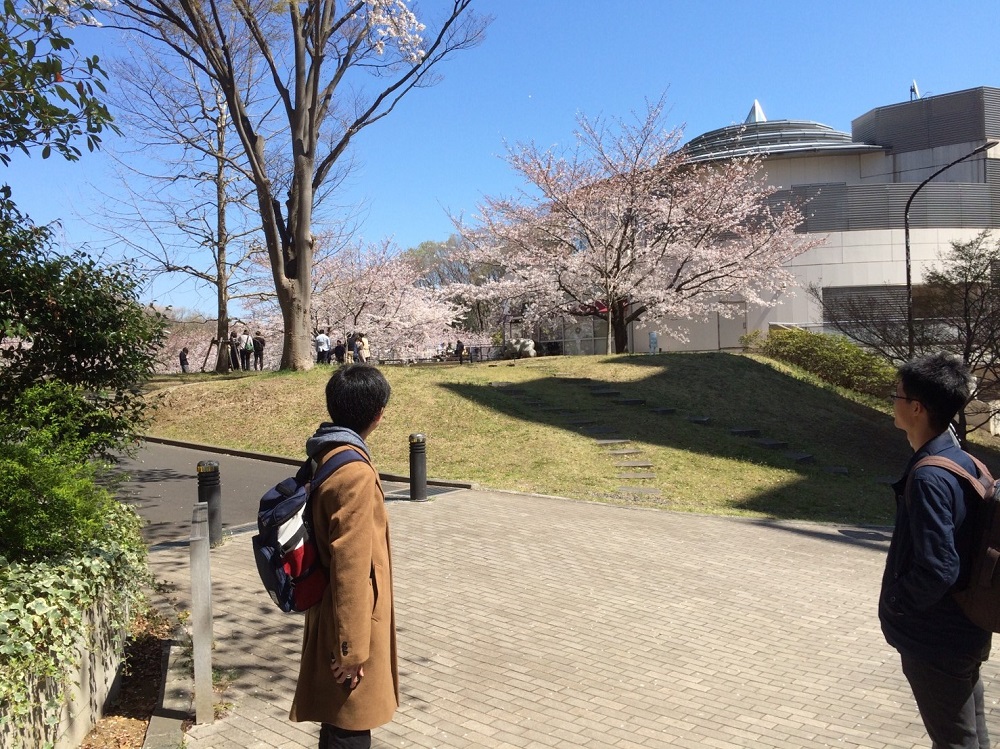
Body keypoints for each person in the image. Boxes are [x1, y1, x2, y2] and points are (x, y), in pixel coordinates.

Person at [880, 352, 992, 749]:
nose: (892, 402)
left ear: (916, 407)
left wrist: (896, 603)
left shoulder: (929, 476)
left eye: (897, 395)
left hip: (936, 639)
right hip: (966, 628)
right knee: (970, 738)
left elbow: (939, 567)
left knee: (955, 743)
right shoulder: (966, 463)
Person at [289, 365, 398, 748]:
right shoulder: (355, 472)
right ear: (378, 414)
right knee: (349, 726)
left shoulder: (327, 452)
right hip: (349, 620)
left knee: (338, 724)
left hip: (330, 611)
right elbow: (350, 565)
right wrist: (350, 649)